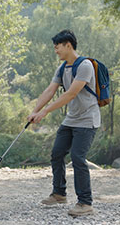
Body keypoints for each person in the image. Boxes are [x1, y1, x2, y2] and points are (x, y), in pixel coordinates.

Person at [27, 30, 100, 217]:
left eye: (57, 47)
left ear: (68, 45)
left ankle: (85, 203)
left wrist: (45, 112)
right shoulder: (61, 69)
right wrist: (35, 110)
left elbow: (71, 94)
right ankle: (59, 193)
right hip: (71, 119)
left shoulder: (85, 66)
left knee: (77, 158)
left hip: (87, 120)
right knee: (57, 153)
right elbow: (50, 90)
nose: (56, 51)